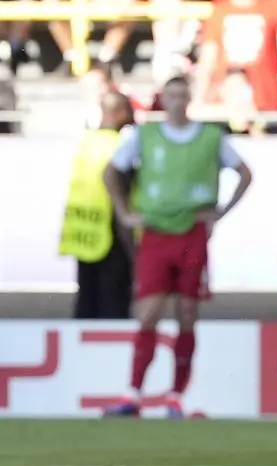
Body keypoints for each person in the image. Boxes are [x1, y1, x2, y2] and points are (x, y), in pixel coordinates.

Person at [102, 76, 254, 418]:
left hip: (192, 233)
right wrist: (125, 213)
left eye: (182, 94)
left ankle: (175, 395)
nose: (177, 100)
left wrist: (222, 212)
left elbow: (245, 173)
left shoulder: (211, 137)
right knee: (150, 311)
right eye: (171, 94)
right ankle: (133, 393)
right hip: (156, 231)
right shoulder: (145, 135)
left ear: (189, 98)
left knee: (187, 312)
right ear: (162, 99)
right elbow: (110, 172)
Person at [60, 92, 136, 319]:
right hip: (111, 235)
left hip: (85, 235)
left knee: (86, 300)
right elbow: (123, 193)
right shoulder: (122, 146)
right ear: (120, 112)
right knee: (113, 304)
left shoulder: (87, 142)